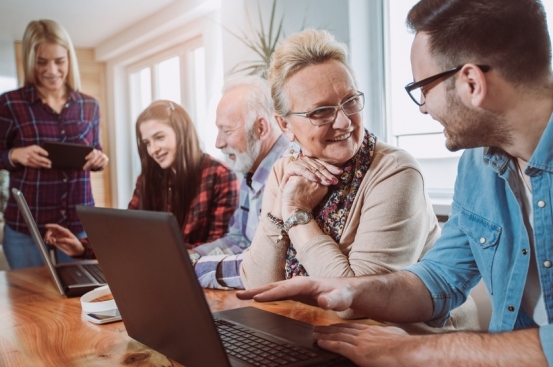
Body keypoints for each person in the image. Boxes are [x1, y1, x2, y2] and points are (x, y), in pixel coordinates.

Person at [237, 0, 553, 365]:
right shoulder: (479, 161)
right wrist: (348, 289)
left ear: (471, 83)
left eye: (424, 88)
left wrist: (411, 351)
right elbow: (439, 279)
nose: (422, 107)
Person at [233, 29, 477, 331]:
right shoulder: (286, 171)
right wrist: (278, 210)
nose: (344, 121)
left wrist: (296, 212)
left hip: (417, 344)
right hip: (320, 335)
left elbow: (354, 303)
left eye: (350, 101)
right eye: (321, 112)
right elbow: (258, 288)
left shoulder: (395, 172)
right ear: (284, 125)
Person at [45, 100, 239, 258]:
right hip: (155, 272)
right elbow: (128, 232)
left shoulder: (219, 176)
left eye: (159, 137)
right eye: (147, 142)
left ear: (182, 133)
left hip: (201, 277)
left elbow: (219, 246)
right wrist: (81, 247)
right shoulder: (147, 179)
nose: (153, 149)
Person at [0, 19, 109, 269]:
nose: (52, 70)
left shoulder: (89, 105)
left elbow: (96, 151)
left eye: (59, 61)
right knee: (28, 304)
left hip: (78, 227)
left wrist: (100, 160)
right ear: (31, 61)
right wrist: (16, 155)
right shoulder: (9, 104)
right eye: (42, 62)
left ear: (69, 59)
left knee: (78, 301)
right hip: (26, 227)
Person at [191, 76, 291, 288]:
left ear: (261, 129)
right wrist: (190, 256)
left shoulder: (289, 173)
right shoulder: (251, 166)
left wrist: (195, 269)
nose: (218, 143)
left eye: (227, 131)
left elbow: (272, 267)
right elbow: (239, 240)